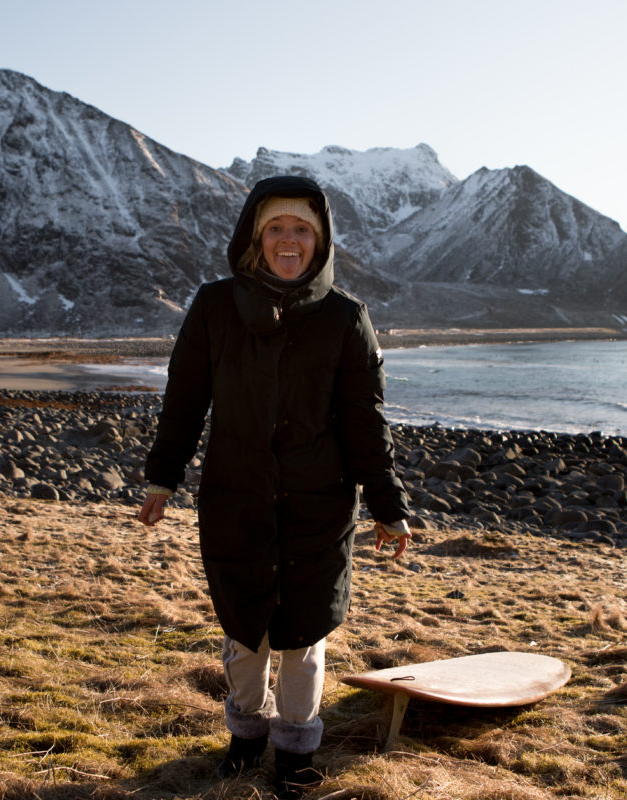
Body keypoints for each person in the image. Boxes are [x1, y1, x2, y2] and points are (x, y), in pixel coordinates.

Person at [137, 175, 411, 797]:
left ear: (321, 240)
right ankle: (245, 737)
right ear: (255, 238)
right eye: (276, 228)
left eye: (302, 230)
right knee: (245, 629)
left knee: (305, 635)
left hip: (319, 505)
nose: (290, 240)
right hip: (236, 498)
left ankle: (295, 752)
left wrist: (388, 507)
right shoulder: (213, 307)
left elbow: (365, 421)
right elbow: (184, 400)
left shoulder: (346, 318)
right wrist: (163, 476)